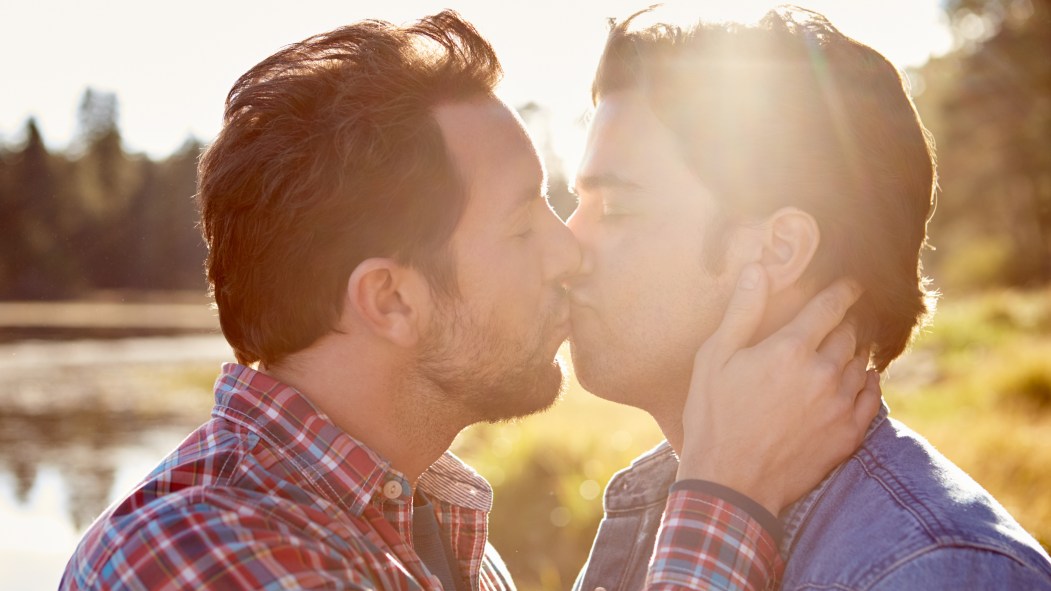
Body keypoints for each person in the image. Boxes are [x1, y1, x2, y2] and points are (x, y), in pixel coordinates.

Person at [61, 10, 877, 591]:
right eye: (522, 226)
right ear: (391, 299)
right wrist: (725, 496)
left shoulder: (435, 528)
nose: (568, 251)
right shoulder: (200, 556)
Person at [568, 6, 1051, 591]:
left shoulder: (933, 573)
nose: (566, 247)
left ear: (779, 249)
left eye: (617, 208)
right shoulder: (658, 510)